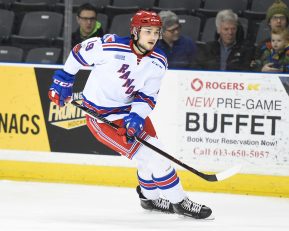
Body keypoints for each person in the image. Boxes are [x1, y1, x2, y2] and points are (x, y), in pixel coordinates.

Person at [48, 10, 213, 219]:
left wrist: (136, 117)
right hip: (102, 118)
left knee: (151, 157)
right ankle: (179, 202)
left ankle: (149, 198)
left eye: (156, 32)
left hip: (129, 111)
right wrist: (64, 78)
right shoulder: (110, 46)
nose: (153, 37)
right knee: (154, 155)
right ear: (135, 31)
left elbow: (147, 96)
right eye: (147, 31)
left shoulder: (158, 61)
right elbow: (80, 52)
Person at [251, 0, 289, 72]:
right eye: (275, 18)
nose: (278, 21)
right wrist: (261, 70)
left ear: (287, 22)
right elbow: (252, 68)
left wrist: (283, 70)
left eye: (282, 18)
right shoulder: (262, 46)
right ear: (269, 22)